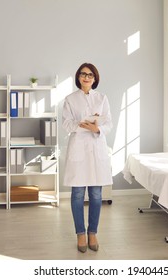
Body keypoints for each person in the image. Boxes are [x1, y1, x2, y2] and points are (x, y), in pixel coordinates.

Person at [62, 63, 113, 253]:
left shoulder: (102, 98)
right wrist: (82, 125)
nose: (86, 77)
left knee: (96, 195)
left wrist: (97, 129)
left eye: (90, 74)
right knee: (77, 195)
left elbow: (108, 122)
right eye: (83, 74)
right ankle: (80, 234)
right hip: (78, 148)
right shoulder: (70, 99)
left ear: (95, 78)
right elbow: (66, 124)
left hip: (96, 146)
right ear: (78, 77)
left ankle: (93, 232)